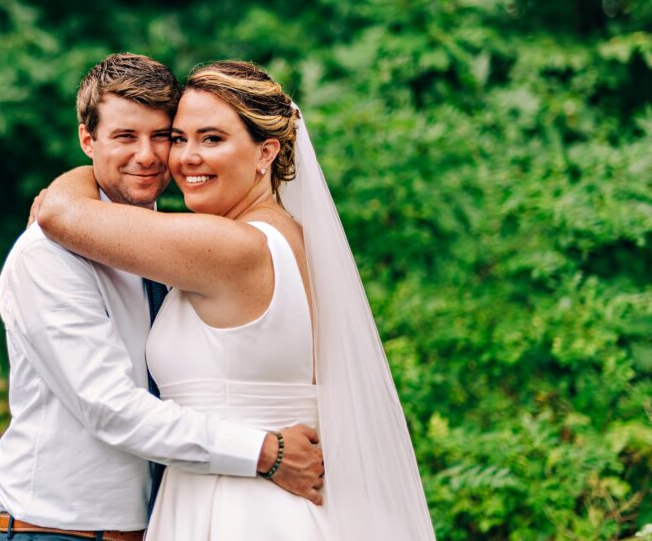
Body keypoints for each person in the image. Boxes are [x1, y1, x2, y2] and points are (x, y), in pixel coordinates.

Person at [36, 61, 436, 539]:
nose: (184, 158)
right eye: (179, 138)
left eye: (212, 139)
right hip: (269, 501)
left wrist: (90, 163)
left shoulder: (233, 247)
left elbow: (58, 213)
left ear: (266, 151)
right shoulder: (290, 236)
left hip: (239, 509)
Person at [0, 54, 325, 541]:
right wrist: (262, 451)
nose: (148, 155)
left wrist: (65, 200)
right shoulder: (50, 254)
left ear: (265, 152)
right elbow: (109, 406)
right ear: (88, 140)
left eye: (163, 136)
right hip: (65, 533)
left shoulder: (180, 245)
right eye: (125, 136)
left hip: (186, 519)